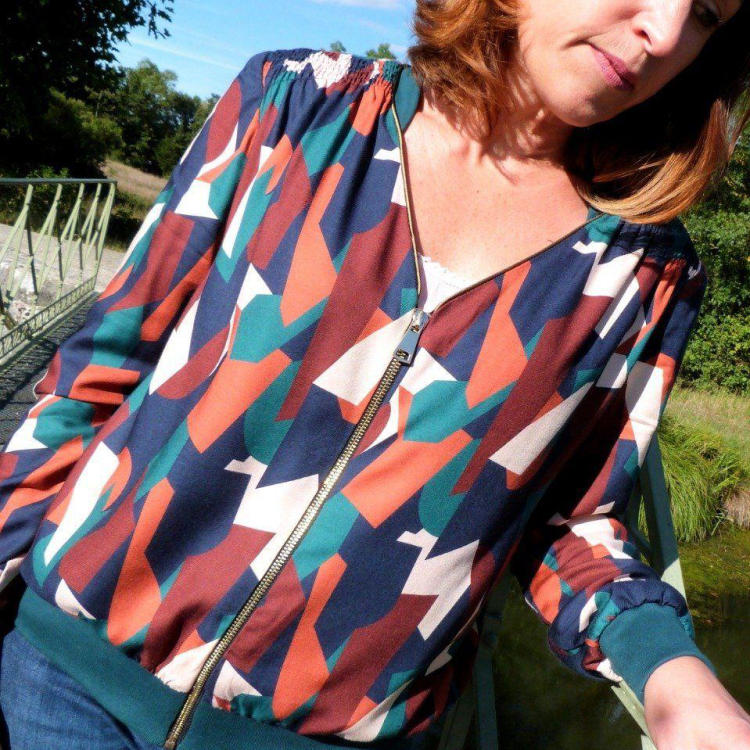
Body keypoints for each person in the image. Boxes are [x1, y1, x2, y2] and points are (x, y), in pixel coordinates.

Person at [0, 0, 749, 747]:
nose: (664, 33)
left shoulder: (645, 276)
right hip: (63, 688)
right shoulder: (295, 104)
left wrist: (673, 675)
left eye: (708, 16)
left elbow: (573, 522)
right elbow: (100, 369)